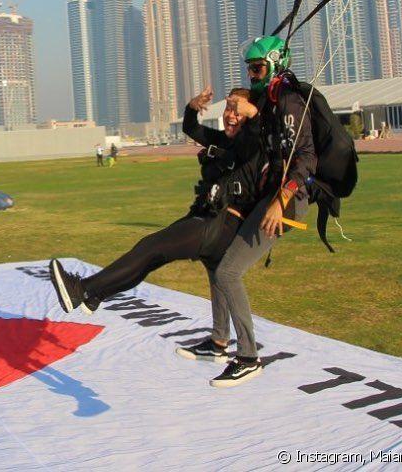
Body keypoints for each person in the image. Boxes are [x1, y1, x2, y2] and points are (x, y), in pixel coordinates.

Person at [49, 88, 268, 386]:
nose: (230, 115)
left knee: (151, 248)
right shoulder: (225, 139)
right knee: (214, 278)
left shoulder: (253, 141)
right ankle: (218, 342)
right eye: (228, 109)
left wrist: (253, 115)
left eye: (237, 109)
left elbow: (256, 135)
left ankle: (84, 289)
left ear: (250, 114)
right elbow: (192, 128)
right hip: (209, 217)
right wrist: (191, 107)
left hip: (220, 223)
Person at [193, 35, 314, 387]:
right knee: (215, 257)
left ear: (276, 64)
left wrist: (280, 201)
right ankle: (219, 340)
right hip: (265, 196)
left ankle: (248, 356)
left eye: (258, 67)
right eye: (249, 68)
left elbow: (305, 158)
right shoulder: (269, 99)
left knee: (229, 271)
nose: (252, 74)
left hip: (286, 199)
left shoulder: (289, 102)